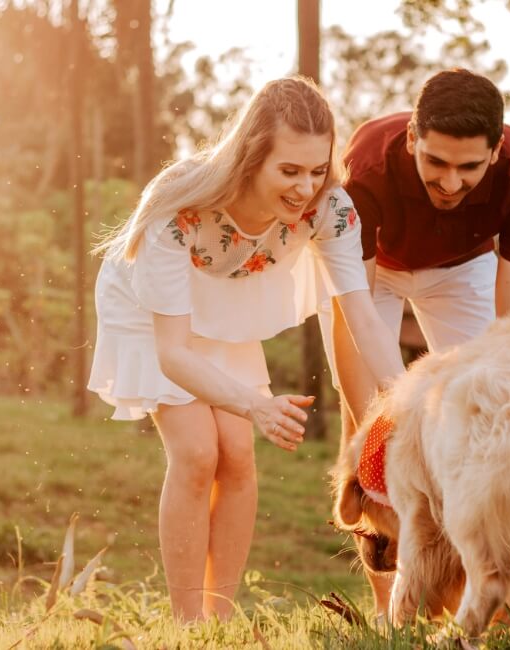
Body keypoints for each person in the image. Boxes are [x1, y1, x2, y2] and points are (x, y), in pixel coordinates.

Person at [88, 76, 405, 622]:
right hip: (155, 312)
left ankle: (220, 615)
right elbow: (173, 353)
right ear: (250, 157)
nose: (305, 187)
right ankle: (189, 624)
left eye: (316, 169)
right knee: (197, 451)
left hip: (226, 304)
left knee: (238, 454)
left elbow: (363, 318)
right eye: (288, 171)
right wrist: (257, 404)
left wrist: (408, 404)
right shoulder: (180, 205)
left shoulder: (331, 210)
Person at [325, 68, 510, 428]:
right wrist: (371, 443)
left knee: (483, 396)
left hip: (461, 267)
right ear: (412, 138)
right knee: (368, 417)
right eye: (436, 162)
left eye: (469, 167)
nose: (450, 182)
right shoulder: (365, 169)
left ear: (495, 151)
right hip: (377, 269)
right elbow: (356, 316)